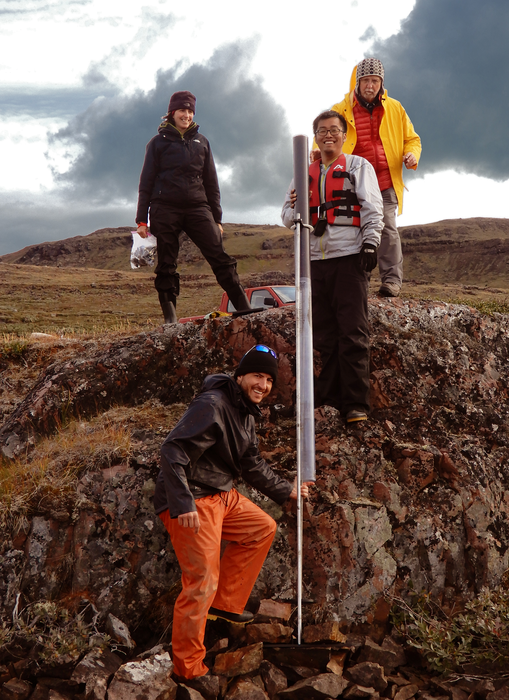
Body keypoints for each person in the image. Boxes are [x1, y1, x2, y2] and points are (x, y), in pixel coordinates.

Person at [155, 344, 311, 680]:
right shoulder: (211, 405)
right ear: (240, 376)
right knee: (201, 583)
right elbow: (172, 449)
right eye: (257, 375)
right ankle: (188, 669)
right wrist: (182, 504)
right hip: (194, 499)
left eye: (269, 379)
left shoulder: (244, 412)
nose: (263, 385)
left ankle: (225, 606)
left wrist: (286, 491)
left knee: (261, 527)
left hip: (220, 494)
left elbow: (251, 463)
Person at [282, 110, 383, 424]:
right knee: (324, 335)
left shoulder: (358, 166)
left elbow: (372, 206)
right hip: (313, 263)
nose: (329, 135)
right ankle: (328, 400)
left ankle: (356, 405)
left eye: (334, 130)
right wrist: (296, 204)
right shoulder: (303, 172)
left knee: (353, 332)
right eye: (322, 131)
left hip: (349, 257)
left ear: (344, 134)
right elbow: (286, 217)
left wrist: (371, 243)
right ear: (315, 136)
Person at [135, 91, 252, 324]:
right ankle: (171, 320)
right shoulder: (157, 143)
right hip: (164, 208)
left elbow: (211, 182)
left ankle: (245, 310)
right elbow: (145, 182)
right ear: (172, 113)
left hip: (198, 207)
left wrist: (217, 219)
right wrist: (141, 220)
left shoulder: (202, 142)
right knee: (166, 264)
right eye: (182, 111)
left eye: (190, 111)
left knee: (220, 256)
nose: (186, 115)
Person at [313, 58, 421, 298]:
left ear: (381, 83)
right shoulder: (341, 109)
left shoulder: (395, 108)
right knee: (354, 230)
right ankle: (358, 282)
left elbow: (412, 138)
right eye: (365, 81)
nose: (370, 86)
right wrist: (318, 152)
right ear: (357, 82)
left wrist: (411, 154)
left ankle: (391, 282)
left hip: (384, 180)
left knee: (387, 230)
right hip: (350, 183)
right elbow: (325, 132)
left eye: (375, 81)